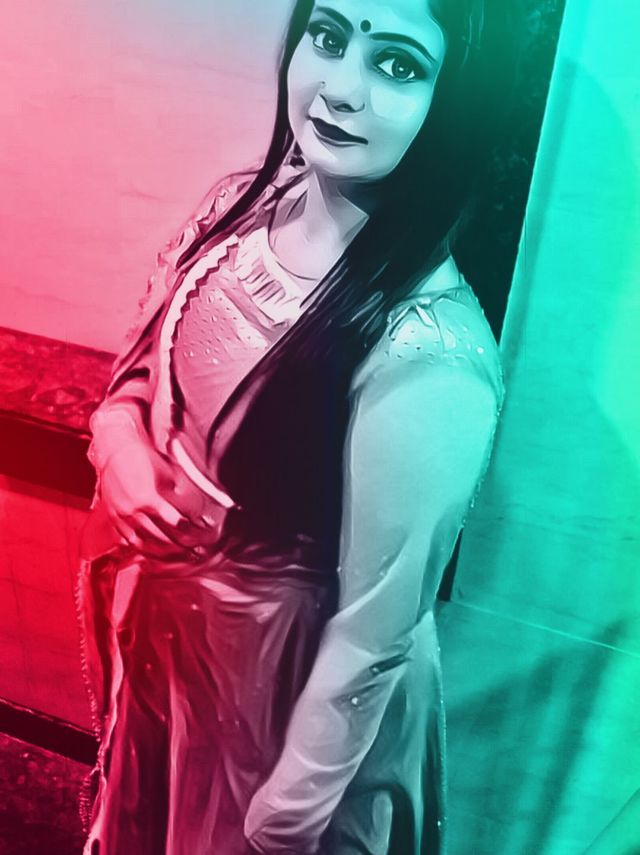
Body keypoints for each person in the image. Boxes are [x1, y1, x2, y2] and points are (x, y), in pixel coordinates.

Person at [75, 0, 506, 852]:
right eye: (329, 37)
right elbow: (140, 376)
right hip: (174, 662)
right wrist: (119, 447)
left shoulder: (429, 352)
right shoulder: (239, 211)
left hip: (291, 707)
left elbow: (373, 636)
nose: (340, 89)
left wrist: (282, 821)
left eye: (397, 65)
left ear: (456, 102)